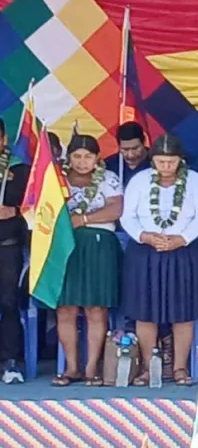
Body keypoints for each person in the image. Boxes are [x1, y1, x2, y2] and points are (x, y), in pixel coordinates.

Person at [120, 134, 198, 387]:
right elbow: (127, 217)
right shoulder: (139, 181)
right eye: (161, 162)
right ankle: (149, 368)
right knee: (145, 312)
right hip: (146, 252)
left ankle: (180, 368)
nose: (166, 167)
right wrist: (145, 236)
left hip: (183, 251)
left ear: (180, 160)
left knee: (183, 313)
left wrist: (180, 239)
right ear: (153, 160)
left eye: (171, 162)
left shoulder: (194, 181)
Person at [52, 135, 124, 387]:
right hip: (64, 247)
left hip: (98, 246)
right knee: (66, 308)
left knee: (95, 308)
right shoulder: (56, 179)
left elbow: (115, 210)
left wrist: (82, 220)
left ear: (97, 158)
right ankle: (71, 368)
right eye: (77, 156)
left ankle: (92, 368)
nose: (82, 162)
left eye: (88, 156)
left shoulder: (108, 179)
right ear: (68, 157)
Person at [0, 119, 30, 384]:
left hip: (7, 248)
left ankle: (10, 362)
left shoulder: (20, 172)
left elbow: (38, 208)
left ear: (3, 141)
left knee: (8, 304)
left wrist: (15, 211)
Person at [107, 121, 151, 187]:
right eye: (125, 149)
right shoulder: (108, 165)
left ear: (144, 141)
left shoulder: (158, 161)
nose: (130, 155)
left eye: (135, 148)